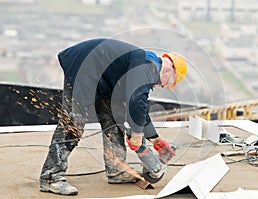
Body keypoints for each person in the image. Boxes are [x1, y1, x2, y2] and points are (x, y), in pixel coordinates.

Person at [39, 38, 187, 195]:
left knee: (114, 121)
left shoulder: (146, 66)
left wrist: (156, 140)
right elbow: (135, 102)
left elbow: (138, 108)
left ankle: (116, 170)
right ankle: (50, 177)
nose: (162, 85)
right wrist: (137, 136)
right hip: (84, 67)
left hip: (102, 79)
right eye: (168, 82)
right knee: (73, 125)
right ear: (168, 69)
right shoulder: (148, 67)